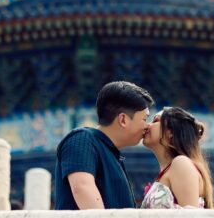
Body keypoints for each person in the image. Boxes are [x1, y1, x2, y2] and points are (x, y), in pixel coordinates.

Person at [54, 81, 154, 209]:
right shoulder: (82, 139)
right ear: (123, 119)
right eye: (145, 119)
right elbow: (82, 187)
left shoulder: (112, 154)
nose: (147, 126)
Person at [141, 107, 214, 209]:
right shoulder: (171, 168)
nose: (148, 125)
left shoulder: (181, 163)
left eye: (156, 121)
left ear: (171, 132)